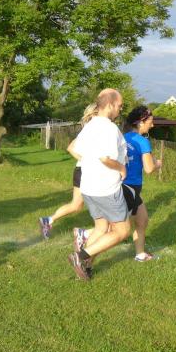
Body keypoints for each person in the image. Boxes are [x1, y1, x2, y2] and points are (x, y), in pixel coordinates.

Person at [67, 88, 129, 280]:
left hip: (88, 187)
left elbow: (76, 149)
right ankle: (80, 257)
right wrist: (121, 168)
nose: (120, 109)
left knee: (101, 228)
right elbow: (105, 158)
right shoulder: (109, 128)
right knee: (122, 231)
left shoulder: (90, 125)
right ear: (110, 104)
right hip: (106, 189)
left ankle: (84, 267)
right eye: (119, 105)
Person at [38, 103, 97, 239]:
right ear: (94, 114)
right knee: (100, 204)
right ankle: (100, 232)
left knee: (76, 205)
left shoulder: (89, 129)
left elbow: (70, 147)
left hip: (83, 171)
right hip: (85, 172)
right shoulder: (90, 130)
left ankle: (48, 220)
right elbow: (71, 148)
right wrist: (86, 160)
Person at [121, 105, 162, 261]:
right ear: (140, 122)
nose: (152, 125)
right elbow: (149, 169)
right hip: (130, 188)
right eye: (150, 122)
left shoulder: (123, 138)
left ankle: (140, 254)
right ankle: (86, 235)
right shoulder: (142, 141)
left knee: (142, 220)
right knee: (118, 229)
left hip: (124, 186)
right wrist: (157, 164)